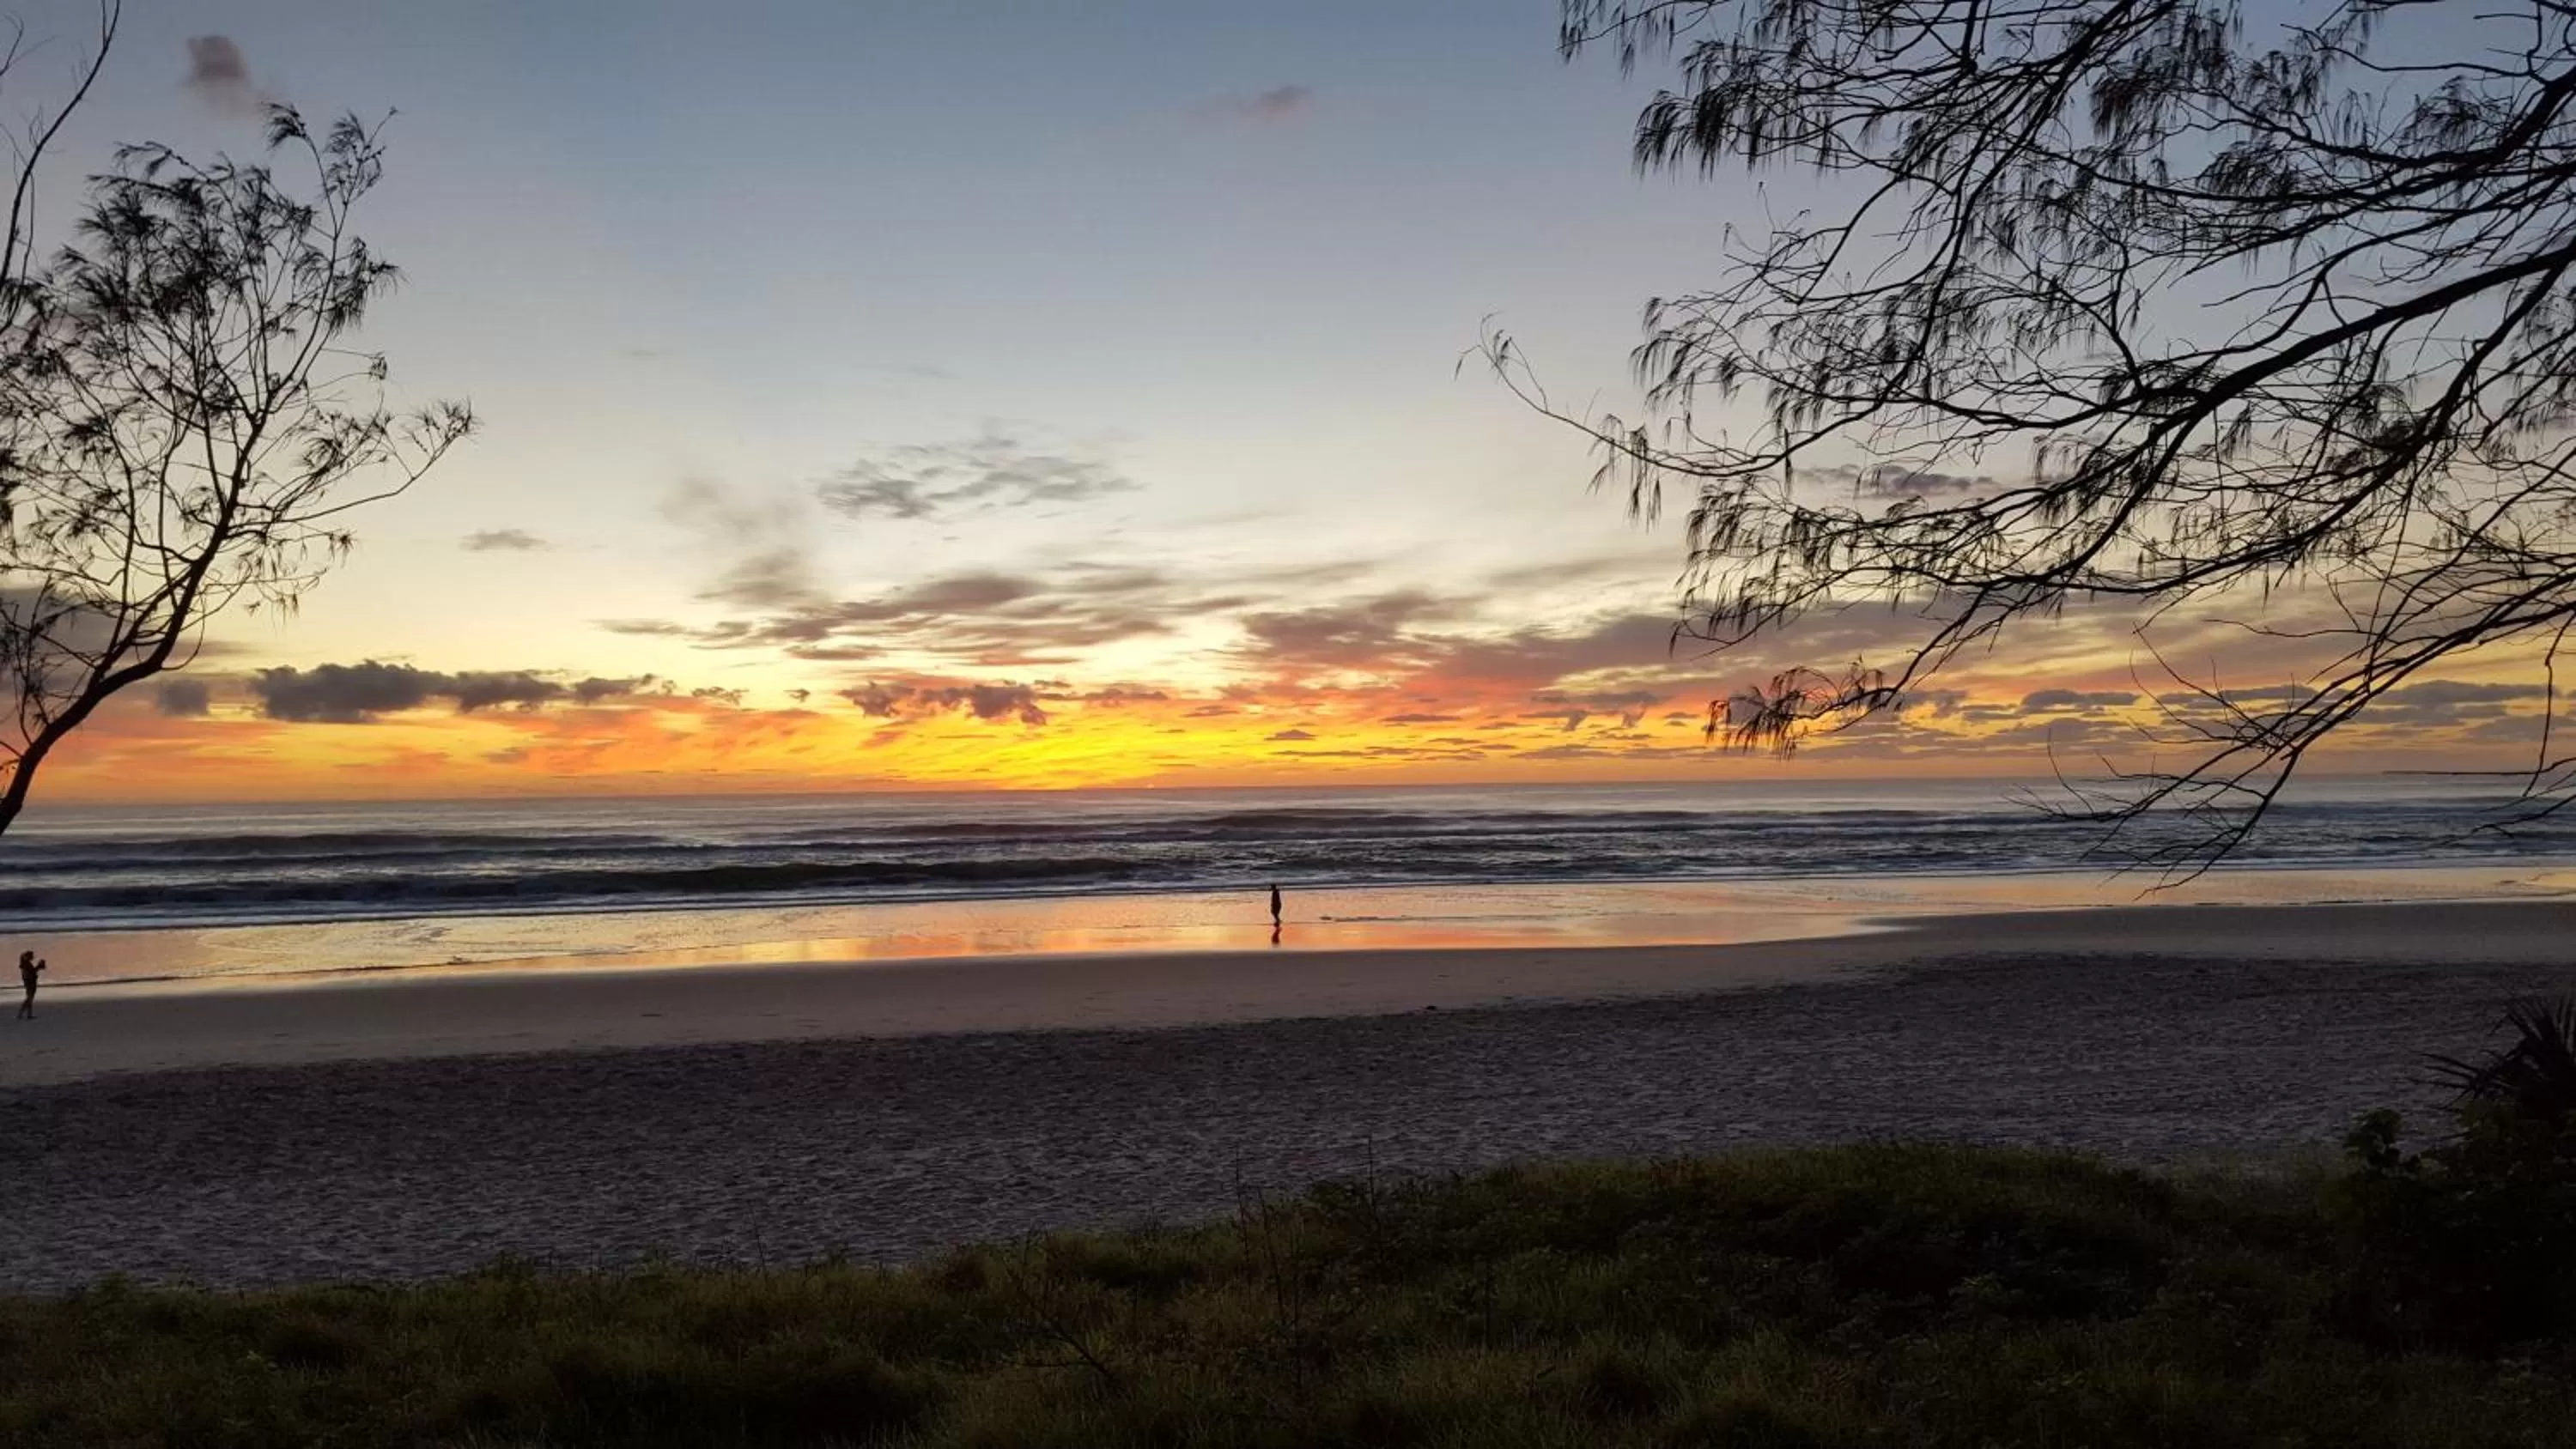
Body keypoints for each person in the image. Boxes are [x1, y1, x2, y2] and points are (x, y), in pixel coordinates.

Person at [15, 951, 39, 1020]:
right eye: (31, 956)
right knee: (29, 999)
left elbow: (31, 972)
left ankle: (28, 1014)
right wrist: (38, 967)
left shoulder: (25, 964)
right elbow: (30, 973)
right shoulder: (26, 965)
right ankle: (20, 1014)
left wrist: (38, 967)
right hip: (30, 983)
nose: (32, 957)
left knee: (30, 999)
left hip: (29, 983)